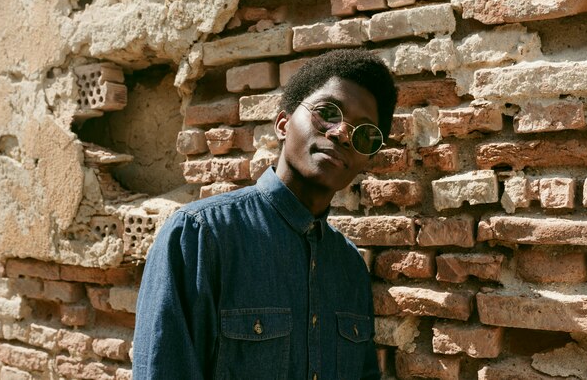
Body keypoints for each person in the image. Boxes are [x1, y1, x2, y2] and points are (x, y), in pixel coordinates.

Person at [133, 48, 397, 380]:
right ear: (283, 124)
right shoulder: (200, 237)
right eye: (328, 113)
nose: (342, 133)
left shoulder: (349, 268)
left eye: (364, 134)